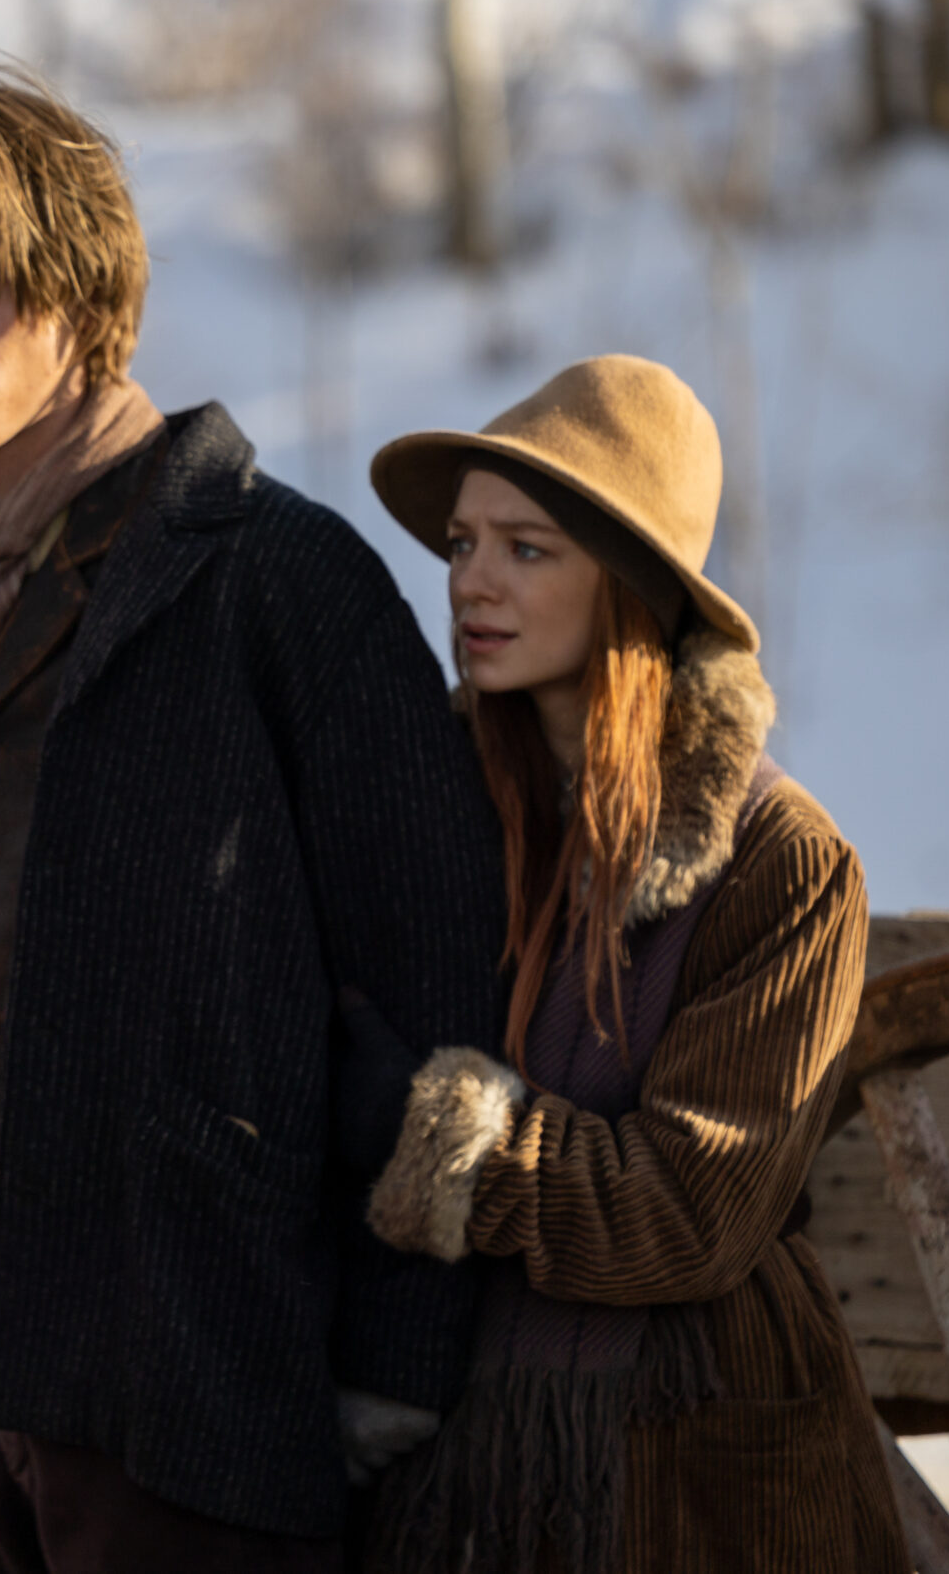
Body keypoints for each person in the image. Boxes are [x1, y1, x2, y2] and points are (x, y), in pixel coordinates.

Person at [0, 68, 507, 1571]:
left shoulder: (276, 573)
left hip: (205, 1324)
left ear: (82, 284)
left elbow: (439, 974)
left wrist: (395, 1357)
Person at [357, 355, 911, 1573]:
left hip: (693, 1460)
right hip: (462, 1452)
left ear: (634, 587)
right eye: (459, 546)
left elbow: (689, 1211)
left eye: (527, 549)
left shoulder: (785, 864)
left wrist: (441, 1144)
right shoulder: (436, 812)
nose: (472, 584)